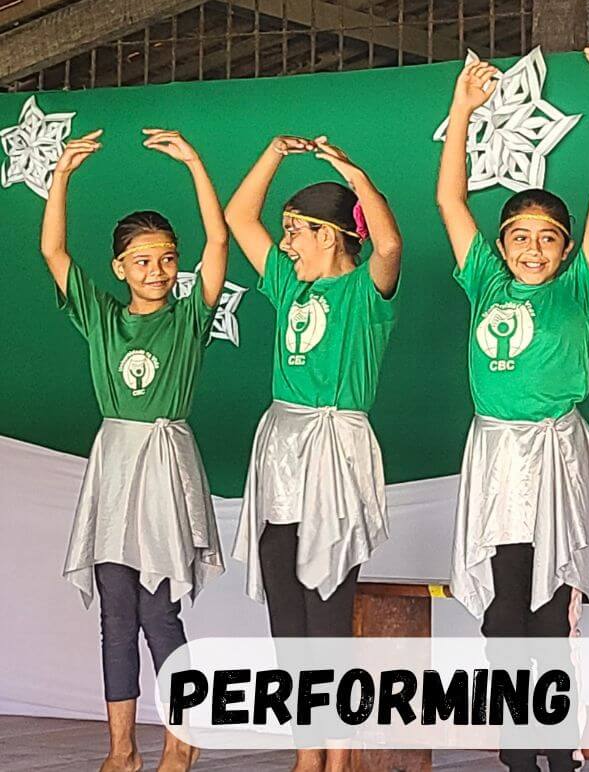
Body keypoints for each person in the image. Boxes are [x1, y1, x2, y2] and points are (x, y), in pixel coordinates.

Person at [436, 47, 589, 772]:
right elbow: (452, 201)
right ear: (501, 245)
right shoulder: (484, 279)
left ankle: (557, 751)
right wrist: (463, 111)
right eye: (520, 236)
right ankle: (522, 754)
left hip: (554, 456)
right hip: (494, 457)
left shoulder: (581, 289)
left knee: (549, 614)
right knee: (503, 612)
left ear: (567, 247)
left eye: (549, 237)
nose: (534, 247)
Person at [41, 128, 228, 772]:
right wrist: (61, 175)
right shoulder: (100, 317)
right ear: (120, 268)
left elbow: (222, 243)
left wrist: (196, 163)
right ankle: (120, 748)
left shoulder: (187, 319)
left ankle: (182, 734)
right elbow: (54, 249)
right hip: (115, 467)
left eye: (167, 258)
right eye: (142, 260)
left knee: (159, 610)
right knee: (116, 613)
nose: (157, 270)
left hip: (165, 467)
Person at [227, 134, 402, 772]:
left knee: (328, 604)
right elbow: (236, 218)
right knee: (287, 606)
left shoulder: (364, 296)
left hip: (335, 452)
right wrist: (271, 154)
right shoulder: (287, 288)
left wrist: (353, 174)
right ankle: (308, 753)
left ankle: (339, 753)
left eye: (294, 232)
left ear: (327, 234)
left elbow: (387, 245)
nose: (285, 244)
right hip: (282, 453)